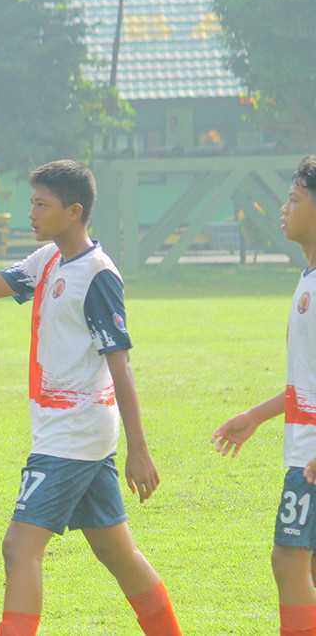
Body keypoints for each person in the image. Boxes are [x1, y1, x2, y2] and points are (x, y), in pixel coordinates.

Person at [0, 157, 180, 635]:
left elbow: (120, 365)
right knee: (116, 552)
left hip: (74, 432)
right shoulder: (48, 260)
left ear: (74, 211)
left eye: (42, 204)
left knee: (19, 547)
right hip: (72, 430)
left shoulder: (98, 274)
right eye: (32, 202)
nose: (31, 213)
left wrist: (140, 449)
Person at [212, 155, 316, 636]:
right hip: (304, 446)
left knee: (288, 558)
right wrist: (257, 415)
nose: (283, 209)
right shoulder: (307, 278)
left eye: (294, 200)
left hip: (310, 456)